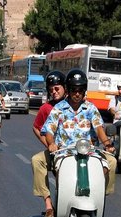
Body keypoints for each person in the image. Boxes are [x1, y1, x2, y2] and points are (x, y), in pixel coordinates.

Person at [43, 69, 117, 198]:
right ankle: (61, 198)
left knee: (109, 164)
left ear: (84, 91)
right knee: (60, 173)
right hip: (65, 152)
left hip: (89, 151)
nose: (77, 94)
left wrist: (107, 144)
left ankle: (100, 194)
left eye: (80, 90)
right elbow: (49, 130)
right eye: (74, 90)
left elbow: (99, 128)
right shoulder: (58, 108)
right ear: (68, 90)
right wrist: (52, 143)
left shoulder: (91, 108)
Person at [31, 70, 67, 217]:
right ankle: (48, 205)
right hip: (55, 151)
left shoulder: (76, 105)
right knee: (36, 160)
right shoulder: (46, 108)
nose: (54, 91)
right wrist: (48, 144)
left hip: (75, 151)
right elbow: (37, 127)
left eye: (57, 88)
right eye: (51, 89)